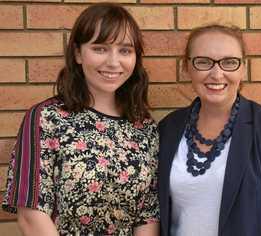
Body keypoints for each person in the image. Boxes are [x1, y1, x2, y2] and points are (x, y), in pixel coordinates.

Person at [2, 3, 159, 235]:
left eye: (125, 50)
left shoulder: (144, 127)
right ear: (77, 53)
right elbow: (31, 215)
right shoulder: (47, 118)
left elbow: (148, 216)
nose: (114, 62)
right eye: (100, 49)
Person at [158, 24, 261, 236]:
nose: (217, 73)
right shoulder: (168, 128)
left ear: (243, 68)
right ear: (187, 67)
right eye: (203, 62)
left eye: (229, 62)